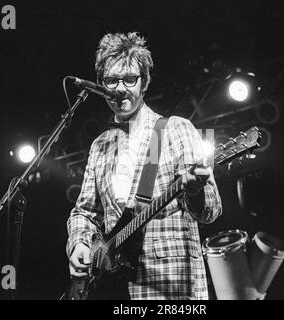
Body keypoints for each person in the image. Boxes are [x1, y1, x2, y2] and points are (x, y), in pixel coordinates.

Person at [66, 32, 222, 300]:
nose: (120, 88)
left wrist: (196, 192)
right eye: (111, 81)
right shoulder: (100, 146)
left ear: (144, 82)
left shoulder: (175, 129)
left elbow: (212, 211)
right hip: (116, 290)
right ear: (101, 85)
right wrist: (79, 243)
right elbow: (85, 212)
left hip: (171, 289)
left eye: (130, 79)